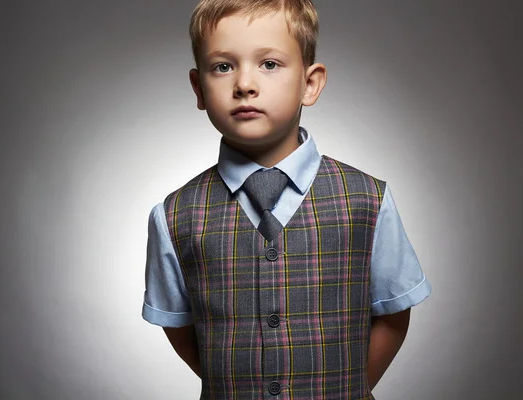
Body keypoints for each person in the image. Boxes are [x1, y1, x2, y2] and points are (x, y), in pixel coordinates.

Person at [142, 0, 431, 398]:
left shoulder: (367, 199)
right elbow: (177, 323)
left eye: (269, 64)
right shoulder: (175, 215)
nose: (244, 84)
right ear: (199, 88)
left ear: (309, 83)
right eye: (223, 66)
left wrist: (352, 388)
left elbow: (395, 310)